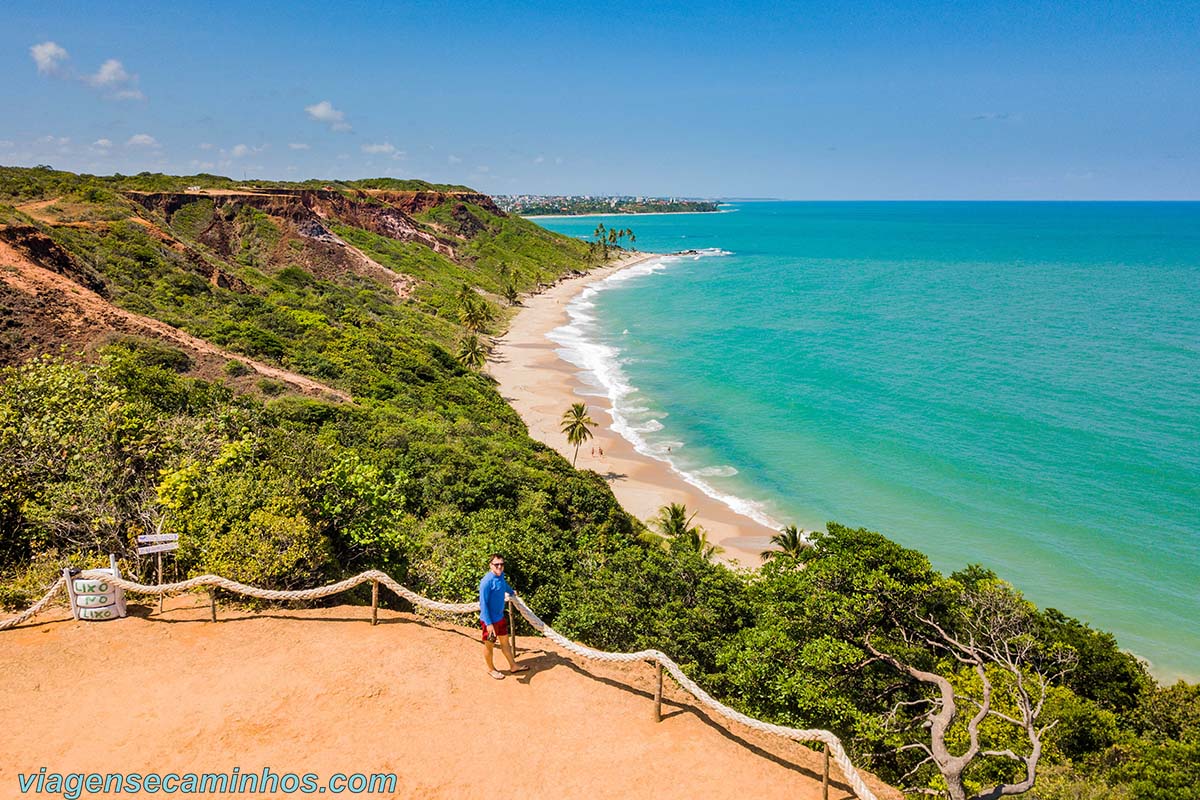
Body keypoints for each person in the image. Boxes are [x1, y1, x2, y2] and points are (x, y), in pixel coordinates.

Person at [479, 554, 526, 680]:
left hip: (499, 618)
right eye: (496, 564)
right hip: (489, 621)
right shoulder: (486, 582)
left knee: (505, 642)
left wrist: (511, 592)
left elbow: (503, 586)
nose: (499, 566)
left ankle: (513, 665)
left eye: (501, 564)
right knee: (489, 645)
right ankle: (491, 669)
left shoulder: (501, 576)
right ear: (491, 565)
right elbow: (483, 604)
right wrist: (488, 624)